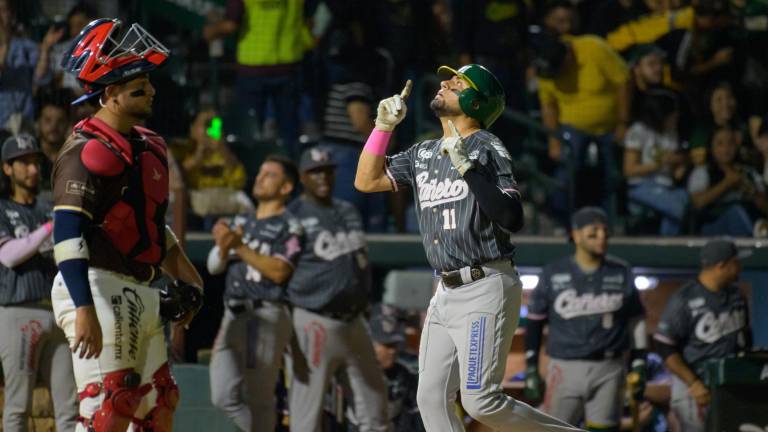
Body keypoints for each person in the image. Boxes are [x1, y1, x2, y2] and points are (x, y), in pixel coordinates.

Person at [354, 64, 581, 431]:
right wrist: (382, 129)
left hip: (484, 282)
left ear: (476, 101)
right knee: (429, 396)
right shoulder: (423, 151)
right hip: (445, 290)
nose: (444, 82)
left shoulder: (486, 145)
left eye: (458, 83)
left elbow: (512, 216)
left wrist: (468, 169)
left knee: (481, 401)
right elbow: (366, 180)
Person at [51, 18, 204, 431]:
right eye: (140, 86)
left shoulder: (148, 144)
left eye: (149, 83)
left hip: (139, 285)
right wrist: (83, 308)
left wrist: (188, 276)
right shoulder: (86, 151)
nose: (151, 91)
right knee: (110, 407)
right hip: (95, 284)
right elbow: (65, 236)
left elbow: (150, 225)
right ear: (111, 94)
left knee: (158, 405)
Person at [287, 147, 389, 432]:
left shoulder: (348, 210)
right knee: (306, 417)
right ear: (302, 177)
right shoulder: (292, 216)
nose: (323, 177)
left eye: (328, 170)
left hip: (356, 322)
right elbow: (279, 273)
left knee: (376, 412)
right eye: (315, 171)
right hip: (314, 320)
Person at [525, 207, 647, 432]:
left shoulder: (621, 271)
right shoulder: (553, 272)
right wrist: (531, 365)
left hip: (610, 366)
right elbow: (534, 321)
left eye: (605, 232)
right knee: (557, 429)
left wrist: (639, 362)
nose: (602, 237)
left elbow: (636, 320)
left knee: (604, 429)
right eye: (594, 232)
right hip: (565, 365)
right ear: (577, 235)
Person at [207, 155, 302, 432]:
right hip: (233, 312)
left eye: (270, 174)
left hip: (266, 312)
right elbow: (214, 266)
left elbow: (279, 272)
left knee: (259, 398)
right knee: (222, 397)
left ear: (286, 187)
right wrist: (225, 246)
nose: (260, 178)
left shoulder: (290, 226)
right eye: (260, 172)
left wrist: (240, 246)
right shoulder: (241, 220)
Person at [0, 134, 78, 431]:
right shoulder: (3, 209)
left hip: (58, 312)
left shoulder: (49, 207)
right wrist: (49, 228)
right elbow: (8, 255)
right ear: (7, 169)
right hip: (18, 310)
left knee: (69, 406)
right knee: (19, 406)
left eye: (35, 162)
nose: (32, 169)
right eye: (24, 162)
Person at [532, 30, 630, 225]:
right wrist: (553, 140)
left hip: (610, 125)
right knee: (565, 169)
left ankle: (614, 222)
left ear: (568, 56)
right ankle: (560, 221)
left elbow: (623, 81)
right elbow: (548, 106)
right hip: (573, 126)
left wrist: (623, 122)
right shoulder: (546, 67)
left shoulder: (593, 48)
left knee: (613, 176)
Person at [653, 239, 752, 432]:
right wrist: (694, 383)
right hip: (695, 384)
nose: (739, 266)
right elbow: (664, 346)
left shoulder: (737, 296)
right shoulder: (684, 299)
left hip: (728, 385)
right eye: (736, 262)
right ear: (721, 265)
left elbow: (745, 338)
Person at [203, 0, 310, 157]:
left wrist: (210, 31)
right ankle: (288, 172)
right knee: (289, 131)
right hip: (288, 63)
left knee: (248, 130)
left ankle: (251, 171)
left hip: (252, 66)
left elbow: (231, 24)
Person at [623, 89, 690, 235]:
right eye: (673, 112)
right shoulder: (638, 130)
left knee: (684, 199)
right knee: (677, 207)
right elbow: (629, 170)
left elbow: (676, 175)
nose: (677, 115)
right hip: (640, 186)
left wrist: (681, 163)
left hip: (667, 185)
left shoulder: (672, 132)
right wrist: (661, 163)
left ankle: (669, 246)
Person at [347, 308, 424, 432]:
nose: (392, 351)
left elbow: (417, 420)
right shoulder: (355, 375)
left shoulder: (404, 376)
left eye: (394, 345)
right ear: (371, 344)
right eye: (387, 345)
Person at [687, 127, 768, 236]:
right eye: (720, 144)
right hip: (713, 226)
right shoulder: (703, 171)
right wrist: (727, 183)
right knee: (736, 213)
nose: (726, 149)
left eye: (731, 143)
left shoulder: (748, 172)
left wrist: (750, 191)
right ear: (711, 147)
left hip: (748, 220)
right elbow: (698, 203)